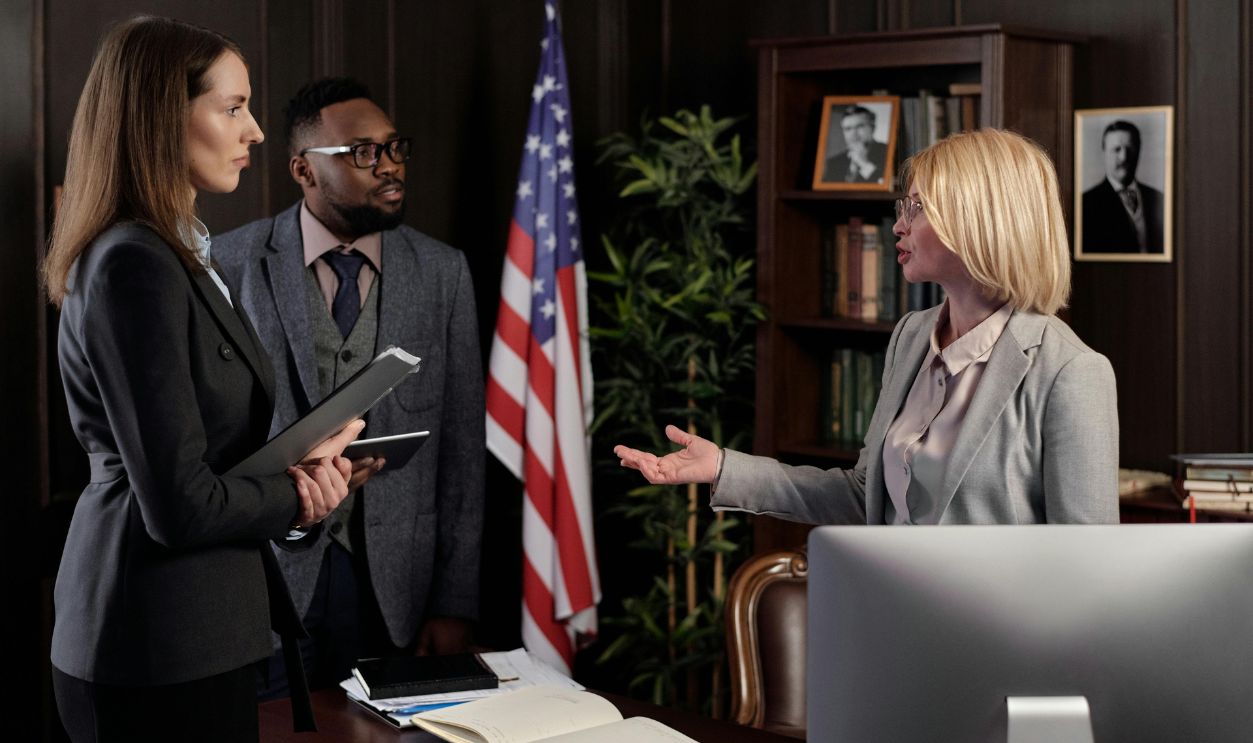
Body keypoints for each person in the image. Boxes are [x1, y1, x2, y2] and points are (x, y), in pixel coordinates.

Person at [43, 16, 360, 742]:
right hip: (153, 645)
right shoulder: (135, 265)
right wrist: (295, 497)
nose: (253, 132)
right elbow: (178, 505)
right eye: (233, 107)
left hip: (190, 634)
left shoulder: (178, 254)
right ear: (161, 115)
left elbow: (200, 452)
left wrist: (302, 465)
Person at [617, 128, 1119, 526]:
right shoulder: (910, 338)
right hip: (891, 624)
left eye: (918, 208)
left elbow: (1089, 572)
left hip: (1002, 651)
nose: (899, 225)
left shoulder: (1071, 373)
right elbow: (865, 497)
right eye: (904, 206)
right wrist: (725, 467)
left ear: (981, 221)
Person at [214, 78, 485, 695]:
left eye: (394, 149)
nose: (389, 167)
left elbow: (463, 452)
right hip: (267, 584)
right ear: (304, 170)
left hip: (397, 593)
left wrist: (455, 602)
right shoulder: (231, 264)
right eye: (362, 153)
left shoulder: (443, 272)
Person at [1081, 120, 1165, 253]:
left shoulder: (1159, 198)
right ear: (1104, 152)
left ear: (1139, 151)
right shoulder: (1085, 204)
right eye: (1117, 149)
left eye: (1129, 148)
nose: (1124, 157)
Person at [822, 105, 889, 184]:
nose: (853, 134)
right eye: (848, 129)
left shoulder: (888, 152)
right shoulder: (833, 162)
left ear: (873, 128)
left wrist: (864, 164)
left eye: (859, 126)